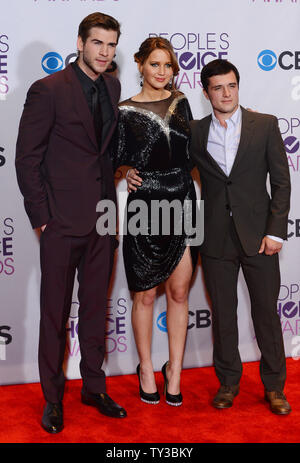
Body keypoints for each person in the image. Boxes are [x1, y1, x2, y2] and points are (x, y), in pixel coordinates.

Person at [15, 12, 127, 434]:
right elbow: (26, 159)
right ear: (80, 43)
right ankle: (52, 397)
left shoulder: (113, 86)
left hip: (102, 218)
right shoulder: (48, 90)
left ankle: (93, 387)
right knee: (54, 313)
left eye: (112, 44)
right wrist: (43, 218)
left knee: (96, 309)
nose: (105, 52)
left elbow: (103, 152)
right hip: (61, 220)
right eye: (98, 43)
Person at [189, 59, 291, 414]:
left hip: (260, 237)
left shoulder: (263, 125)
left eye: (231, 85)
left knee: (266, 314)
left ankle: (275, 386)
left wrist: (276, 230)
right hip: (216, 238)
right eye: (217, 87)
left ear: (238, 86)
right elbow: (169, 166)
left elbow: (281, 182)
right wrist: (134, 172)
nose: (226, 93)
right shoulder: (195, 132)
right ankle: (229, 382)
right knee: (224, 315)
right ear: (206, 92)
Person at [113, 37, 198, 406]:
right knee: (145, 294)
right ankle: (146, 367)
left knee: (180, 292)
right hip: (143, 205)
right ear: (140, 65)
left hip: (181, 199)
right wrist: (127, 168)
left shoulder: (182, 103)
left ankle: (174, 370)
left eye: (168, 66)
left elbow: (194, 153)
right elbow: (113, 157)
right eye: (155, 64)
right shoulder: (123, 110)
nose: (162, 72)